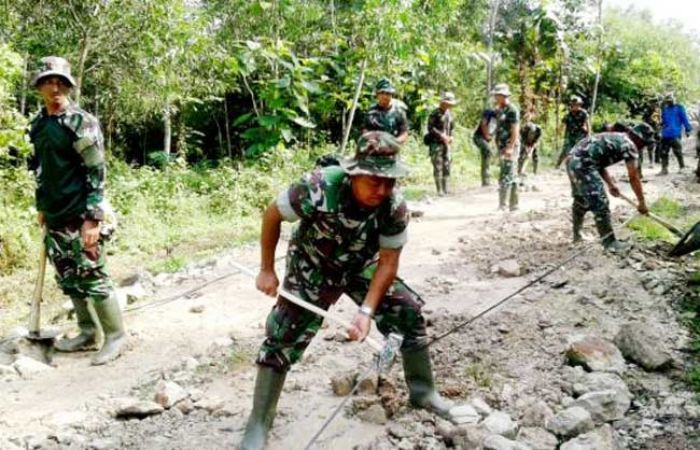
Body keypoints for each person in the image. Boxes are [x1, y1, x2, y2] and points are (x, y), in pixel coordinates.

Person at [240, 132, 456, 450]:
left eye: (389, 181)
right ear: (354, 173)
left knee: (406, 309)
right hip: (312, 265)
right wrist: (266, 269)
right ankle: (258, 423)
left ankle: (424, 393)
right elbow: (272, 215)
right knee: (284, 333)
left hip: (360, 265)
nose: (382, 190)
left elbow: (387, 263)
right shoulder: (317, 186)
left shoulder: (394, 207)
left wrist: (366, 311)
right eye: (374, 181)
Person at [29, 56, 125, 365]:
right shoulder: (39, 125)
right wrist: (41, 206)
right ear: (39, 86)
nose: (54, 87)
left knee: (93, 276)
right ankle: (87, 332)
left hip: (81, 214)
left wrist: (93, 219)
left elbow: (96, 171)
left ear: (68, 85)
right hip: (54, 214)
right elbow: (41, 168)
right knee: (69, 277)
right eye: (48, 81)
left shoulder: (81, 122)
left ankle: (114, 336)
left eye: (60, 81)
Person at [566, 123, 654, 251]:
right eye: (644, 143)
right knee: (600, 203)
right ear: (639, 138)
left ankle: (577, 235)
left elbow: (598, 161)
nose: (643, 147)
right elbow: (634, 177)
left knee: (581, 199)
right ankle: (610, 243)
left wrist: (611, 185)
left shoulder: (617, 137)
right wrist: (641, 202)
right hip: (583, 165)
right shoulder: (629, 145)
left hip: (572, 161)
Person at [492, 84, 520, 211]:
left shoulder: (512, 110)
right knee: (511, 174)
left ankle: (503, 205)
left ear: (503, 96)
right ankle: (514, 205)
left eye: (497, 95)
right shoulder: (499, 110)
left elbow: (515, 130)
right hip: (502, 146)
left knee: (506, 175)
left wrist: (510, 147)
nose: (495, 97)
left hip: (510, 146)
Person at [426, 92, 457, 195]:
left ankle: (446, 188)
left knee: (447, 165)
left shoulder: (449, 114)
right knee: (438, 165)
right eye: (447, 103)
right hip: (436, 144)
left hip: (447, 144)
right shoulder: (434, 113)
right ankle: (439, 190)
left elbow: (452, 128)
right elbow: (430, 128)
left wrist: (451, 136)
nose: (449, 105)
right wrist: (441, 135)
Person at [362, 78, 409, 144]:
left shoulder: (399, 111)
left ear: (392, 94)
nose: (385, 96)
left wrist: (395, 142)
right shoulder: (371, 111)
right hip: (374, 146)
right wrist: (370, 138)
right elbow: (366, 129)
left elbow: (404, 133)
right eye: (382, 93)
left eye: (388, 93)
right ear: (377, 94)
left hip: (393, 146)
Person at [658, 92, 693, 175]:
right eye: (668, 101)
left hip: (675, 133)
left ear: (674, 99)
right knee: (663, 152)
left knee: (678, 151)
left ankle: (682, 167)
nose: (669, 102)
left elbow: (684, 119)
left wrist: (688, 129)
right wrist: (660, 125)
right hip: (665, 133)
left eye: (671, 100)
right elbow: (663, 121)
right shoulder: (664, 109)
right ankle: (664, 169)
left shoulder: (679, 108)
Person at [556, 96, 590, 169]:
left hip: (580, 135)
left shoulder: (583, 113)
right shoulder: (568, 115)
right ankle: (557, 165)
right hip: (570, 135)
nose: (576, 106)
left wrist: (589, 133)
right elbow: (562, 125)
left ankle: (580, 166)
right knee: (565, 150)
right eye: (574, 105)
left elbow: (587, 124)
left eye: (577, 105)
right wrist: (559, 132)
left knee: (580, 151)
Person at [472, 106, 497, 187]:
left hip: (488, 139)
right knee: (488, 151)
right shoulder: (489, 112)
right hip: (479, 137)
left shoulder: (502, 117)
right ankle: (486, 180)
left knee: (487, 156)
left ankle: (486, 180)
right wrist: (487, 135)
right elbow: (483, 123)